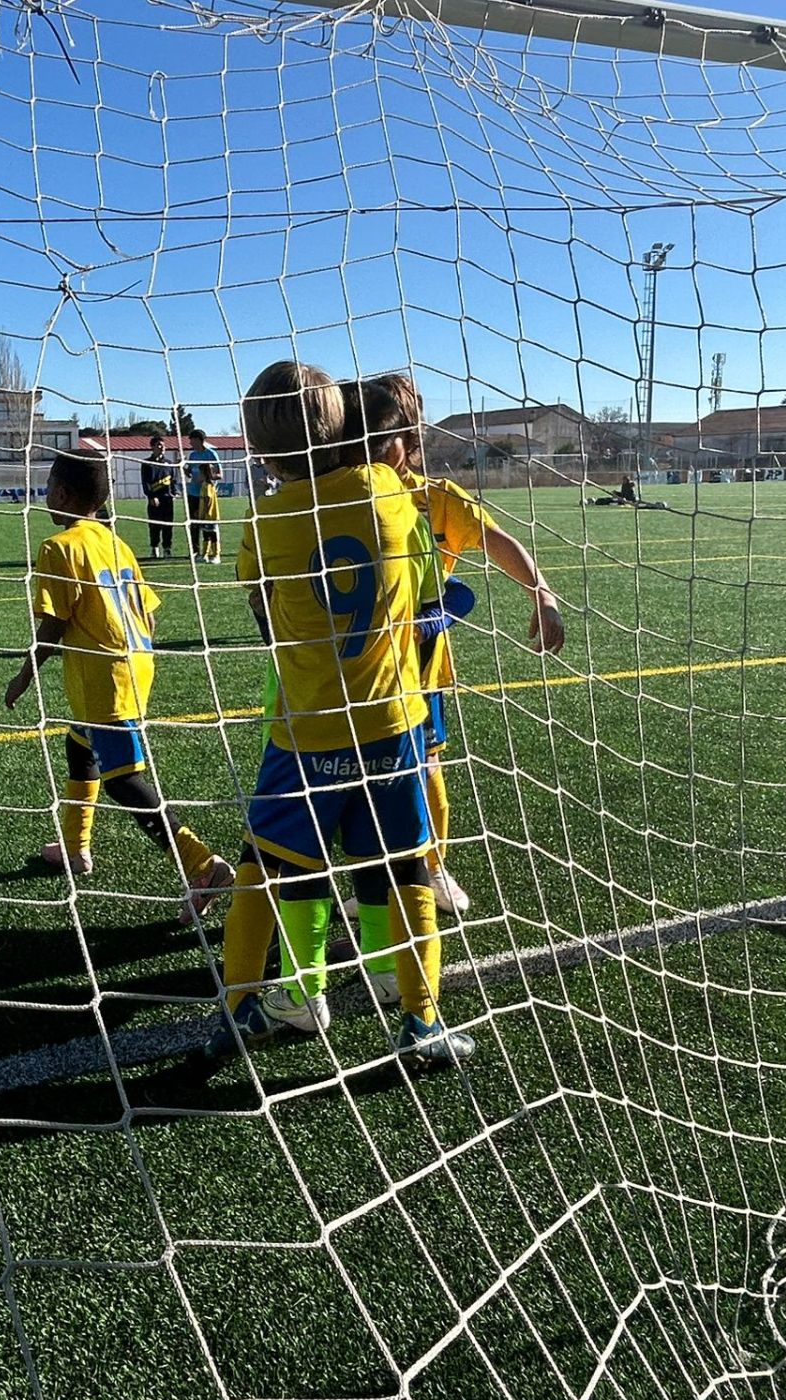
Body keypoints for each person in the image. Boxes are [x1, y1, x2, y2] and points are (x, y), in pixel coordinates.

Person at [208, 360, 464, 1069]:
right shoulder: (391, 492)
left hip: (305, 730)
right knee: (407, 866)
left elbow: (262, 605)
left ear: (261, 452)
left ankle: (254, 1004)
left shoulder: (264, 517)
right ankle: (419, 1019)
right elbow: (422, 593)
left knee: (267, 862)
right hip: (392, 722)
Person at [368, 372, 566, 921]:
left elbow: (499, 542)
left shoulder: (437, 500)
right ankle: (370, 874)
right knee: (357, 778)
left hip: (421, 671)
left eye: (387, 434)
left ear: (409, 438)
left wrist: (542, 593)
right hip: (352, 674)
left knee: (426, 766)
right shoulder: (338, 499)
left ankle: (431, 866)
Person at [4, 448, 233, 917]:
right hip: (133, 661)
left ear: (62, 494)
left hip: (105, 675)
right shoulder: (115, 541)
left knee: (124, 781)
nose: (45, 496)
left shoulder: (60, 547)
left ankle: (202, 863)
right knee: (79, 747)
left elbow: (52, 625)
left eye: (47, 488)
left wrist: (23, 675)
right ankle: (74, 846)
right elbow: (147, 607)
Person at [183, 427, 221, 564]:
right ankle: (196, 552)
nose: (190, 443)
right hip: (193, 493)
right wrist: (185, 469)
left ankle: (214, 553)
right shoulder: (192, 456)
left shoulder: (211, 454)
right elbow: (190, 474)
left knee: (209, 525)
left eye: (192, 440)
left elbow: (219, 475)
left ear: (199, 440)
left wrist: (206, 478)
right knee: (193, 524)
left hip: (206, 495)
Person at [139, 435, 177, 561]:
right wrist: (151, 496)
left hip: (167, 500)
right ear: (152, 447)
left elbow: (173, 480)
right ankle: (154, 548)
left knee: (168, 525)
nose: (162, 448)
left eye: (163, 445)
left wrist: (174, 492)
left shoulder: (169, 464)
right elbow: (145, 482)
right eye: (159, 445)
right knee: (154, 525)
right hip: (154, 500)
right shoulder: (147, 464)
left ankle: (167, 548)